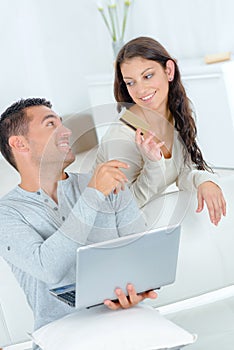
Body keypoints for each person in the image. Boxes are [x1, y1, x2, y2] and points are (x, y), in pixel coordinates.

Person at [0, 98, 157, 349]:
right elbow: (49, 268)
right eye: (51, 124)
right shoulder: (7, 214)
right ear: (19, 143)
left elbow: (139, 257)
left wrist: (135, 292)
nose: (66, 130)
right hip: (62, 335)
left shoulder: (110, 181)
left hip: (124, 323)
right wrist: (93, 195)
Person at [95, 36, 226, 226]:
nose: (140, 90)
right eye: (131, 82)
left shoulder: (177, 109)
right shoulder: (122, 136)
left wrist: (204, 180)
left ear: (169, 71)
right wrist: (153, 164)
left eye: (148, 76)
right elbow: (122, 209)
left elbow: (183, 171)